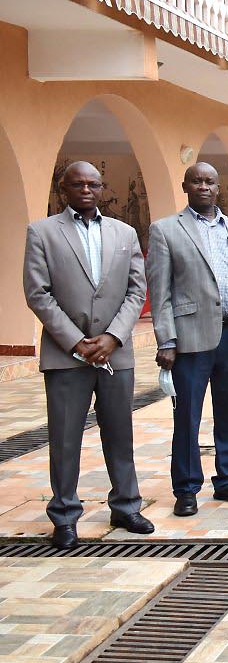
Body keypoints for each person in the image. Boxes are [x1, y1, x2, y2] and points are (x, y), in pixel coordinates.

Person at [23, 161, 153, 549]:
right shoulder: (43, 232)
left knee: (120, 434)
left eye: (93, 184)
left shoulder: (125, 232)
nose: (85, 189)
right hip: (67, 357)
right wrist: (77, 342)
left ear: (102, 189)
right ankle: (64, 515)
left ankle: (126, 505)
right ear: (63, 188)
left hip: (116, 354)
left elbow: (136, 290)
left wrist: (113, 336)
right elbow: (38, 293)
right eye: (76, 183)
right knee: (64, 439)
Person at [146, 163, 228, 517]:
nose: (203, 186)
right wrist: (166, 339)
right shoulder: (166, 230)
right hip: (189, 339)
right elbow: (160, 290)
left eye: (210, 181)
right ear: (185, 186)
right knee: (188, 417)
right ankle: (186, 488)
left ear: (218, 187)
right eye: (196, 181)